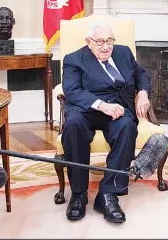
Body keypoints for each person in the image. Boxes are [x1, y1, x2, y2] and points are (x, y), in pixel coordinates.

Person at [61, 24, 152, 223]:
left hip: (118, 109)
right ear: (88, 42)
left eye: (109, 41)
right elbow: (72, 90)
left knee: (127, 127)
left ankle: (108, 194)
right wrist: (102, 105)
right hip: (86, 109)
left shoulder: (124, 53)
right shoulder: (74, 59)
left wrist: (143, 93)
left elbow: (141, 75)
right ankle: (79, 194)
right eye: (100, 42)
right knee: (73, 125)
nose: (106, 47)